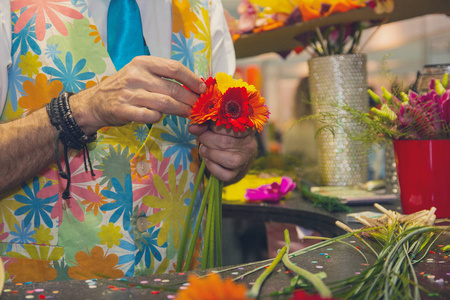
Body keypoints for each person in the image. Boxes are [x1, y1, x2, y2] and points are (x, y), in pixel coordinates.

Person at [0, 0, 256, 282]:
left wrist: (235, 152)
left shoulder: (205, 9)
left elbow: (225, 152)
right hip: (45, 281)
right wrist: (81, 111)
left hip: (182, 280)